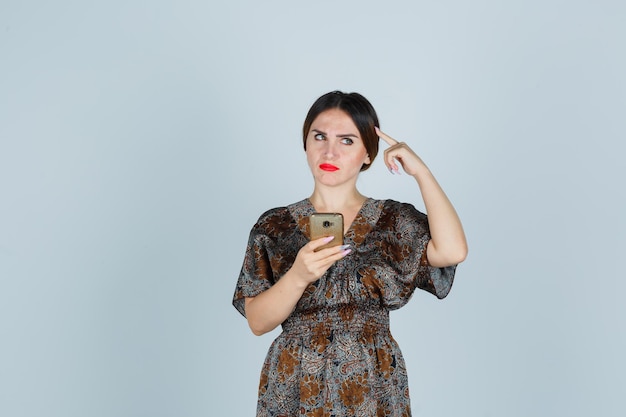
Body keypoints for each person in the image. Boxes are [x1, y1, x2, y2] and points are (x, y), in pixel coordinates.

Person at [232, 91, 467, 417]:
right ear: (306, 142)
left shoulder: (392, 220)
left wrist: (421, 172)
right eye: (320, 136)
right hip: (296, 379)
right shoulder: (274, 226)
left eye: (347, 141)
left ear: (368, 153)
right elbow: (257, 321)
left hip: (372, 377)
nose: (329, 150)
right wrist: (298, 276)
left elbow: (453, 249)